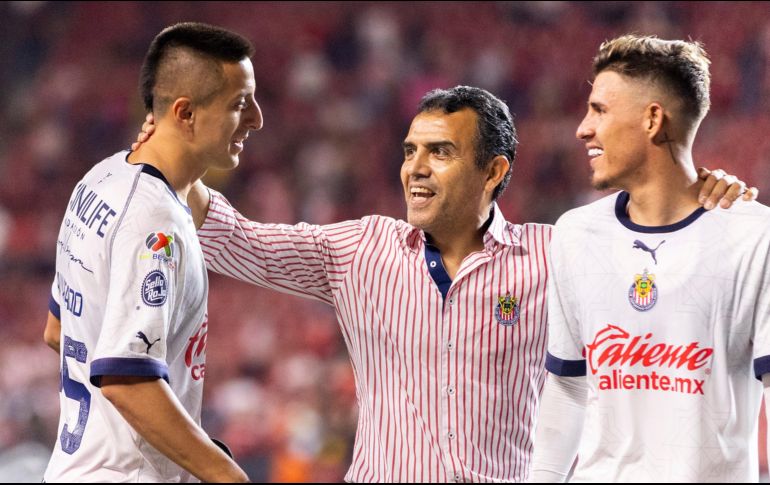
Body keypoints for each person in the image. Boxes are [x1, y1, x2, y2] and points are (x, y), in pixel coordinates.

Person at [133, 81, 752, 481]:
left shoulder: (558, 253)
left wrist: (706, 195)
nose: (415, 169)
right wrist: (170, 162)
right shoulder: (359, 250)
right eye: (409, 151)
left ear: (494, 170)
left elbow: (665, 265)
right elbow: (237, 239)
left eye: (440, 152)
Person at [531, 35, 770, 482]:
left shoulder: (755, 236)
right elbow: (568, 385)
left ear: (652, 119)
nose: (582, 128)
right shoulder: (575, 234)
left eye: (599, 110)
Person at [42, 22, 261, 482]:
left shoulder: (100, 179)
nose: (256, 118)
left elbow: (56, 330)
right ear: (185, 114)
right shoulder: (155, 224)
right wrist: (226, 475)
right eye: (240, 104)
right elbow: (128, 380)